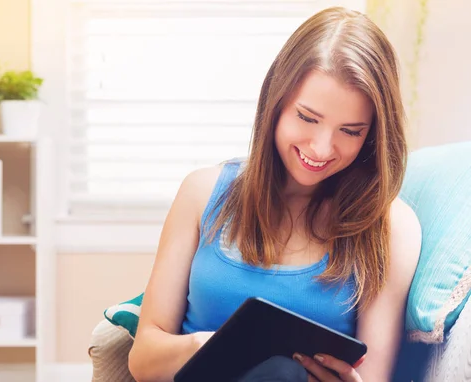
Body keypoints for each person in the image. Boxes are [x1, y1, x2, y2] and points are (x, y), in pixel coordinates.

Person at [128, 6, 422, 382]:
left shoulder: (391, 228)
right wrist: (219, 347)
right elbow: (143, 360)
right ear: (276, 103)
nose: (320, 148)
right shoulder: (202, 193)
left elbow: (374, 377)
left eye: (350, 131)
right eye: (307, 118)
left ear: (373, 136)